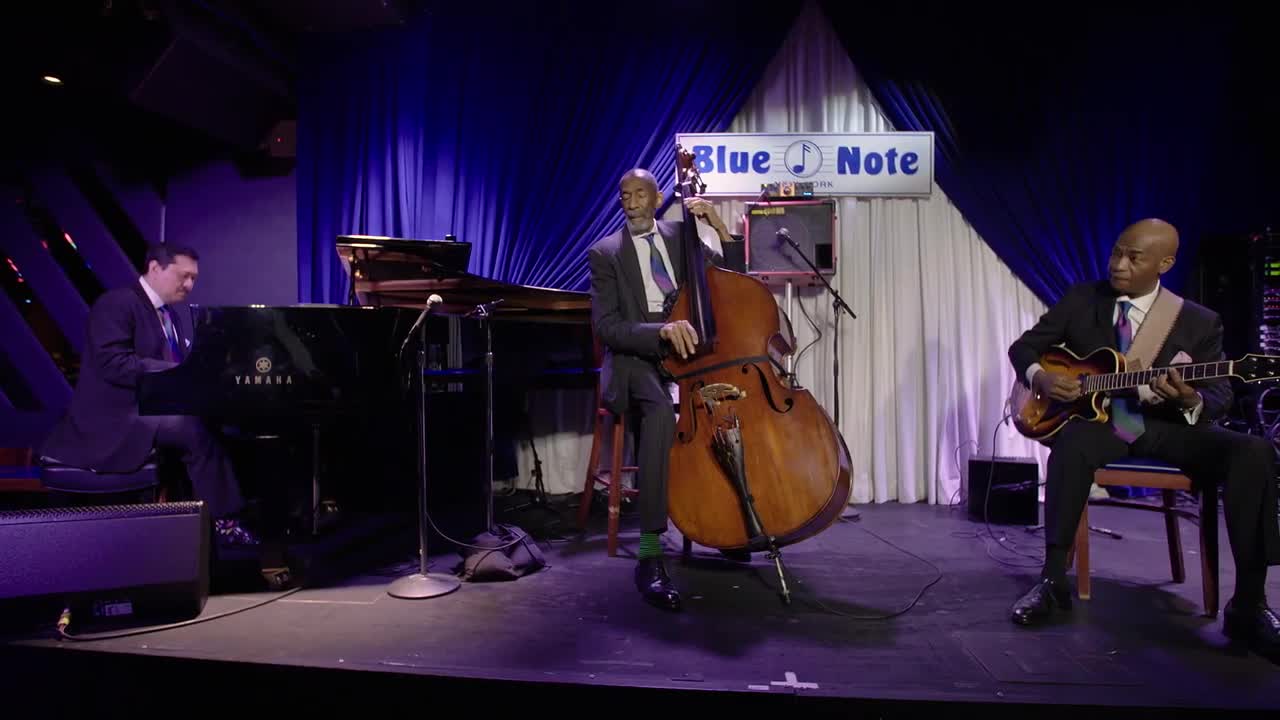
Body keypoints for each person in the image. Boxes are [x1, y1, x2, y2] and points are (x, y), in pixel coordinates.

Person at [1006, 218, 1280, 663]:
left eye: (1134, 257)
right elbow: (1024, 348)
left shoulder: (1198, 321)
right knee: (1072, 445)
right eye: (1117, 252)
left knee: (1255, 451)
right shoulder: (1082, 300)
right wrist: (1043, 377)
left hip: (1170, 428)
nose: (1119, 264)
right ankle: (1053, 581)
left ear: (1165, 263)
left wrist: (1190, 397)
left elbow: (1220, 396)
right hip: (1107, 425)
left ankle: (1249, 604)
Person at [585, 168, 735, 610]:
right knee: (657, 410)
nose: (629, 202)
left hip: (687, 355)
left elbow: (728, 283)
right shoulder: (605, 253)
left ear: (656, 199)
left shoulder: (681, 236)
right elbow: (608, 328)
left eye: (639, 195)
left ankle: (731, 522)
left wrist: (719, 228)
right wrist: (662, 331)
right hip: (635, 357)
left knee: (726, 400)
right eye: (623, 195)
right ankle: (651, 552)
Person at [40, 243, 258, 546]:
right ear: (155, 268)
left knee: (218, 423)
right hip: (114, 416)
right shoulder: (117, 303)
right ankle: (226, 522)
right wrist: (177, 370)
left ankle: (210, 529)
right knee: (189, 427)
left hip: (149, 410)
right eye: (183, 276)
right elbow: (112, 364)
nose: (190, 285)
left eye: (194, 278)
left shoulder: (169, 315)